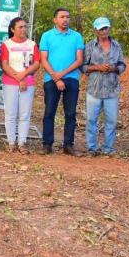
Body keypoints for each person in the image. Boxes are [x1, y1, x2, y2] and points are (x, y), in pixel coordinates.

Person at [39, 8, 84, 156]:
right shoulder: (47, 36)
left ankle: (68, 145)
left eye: (67, 17)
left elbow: (79, 60)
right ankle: (47, 144)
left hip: (71, 79)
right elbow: (43, 59)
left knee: (70, 113)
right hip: (51, 79)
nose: (65, 19)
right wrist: (55, 77)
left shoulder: (77, 36)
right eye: (62, 17)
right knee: (49, 112)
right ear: (55, 20)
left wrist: (62, 75)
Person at [81, 17, 126, 157]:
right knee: (91, 119)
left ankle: (108, 148)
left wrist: (113, 69)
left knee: (111, 120)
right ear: (95, 30)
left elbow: (122, 65)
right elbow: (83, 66)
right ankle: (92, 148)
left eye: (106, 28)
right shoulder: (89, 46)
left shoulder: (116, 45)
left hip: (112, 88)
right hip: (94, 88)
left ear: (109, 29)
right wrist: (97, 67)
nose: (104, 31)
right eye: (101, 29)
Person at [0, 17, 40, 155]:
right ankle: (11, 142)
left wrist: (24, 75)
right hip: (10, 83)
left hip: (28, 83)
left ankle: (22, 143)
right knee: (10, 114)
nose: (24, 29)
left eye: (25, 27)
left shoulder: (32, 44)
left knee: (24, 114)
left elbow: (36, 64)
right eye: (20, 27)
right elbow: (4, 65)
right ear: (12, 29)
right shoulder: (6, 44)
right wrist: (19, 78)